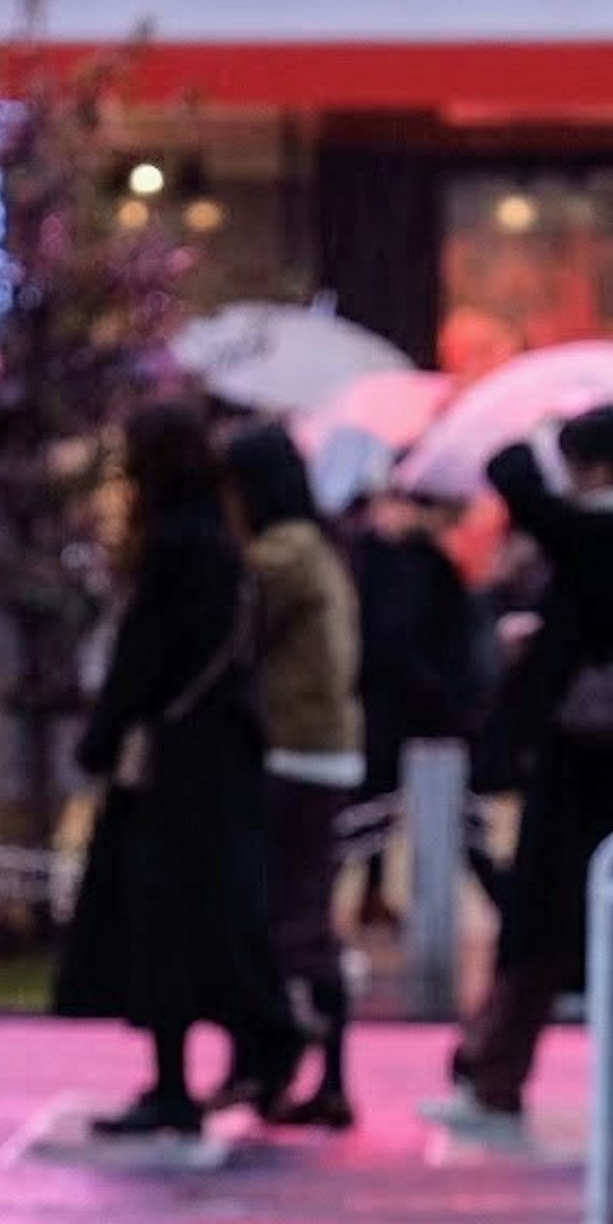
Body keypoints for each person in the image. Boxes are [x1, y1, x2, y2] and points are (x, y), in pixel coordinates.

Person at [426, 406, 613, 1138]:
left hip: (596, 762)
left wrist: (514, 457)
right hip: (589, 759)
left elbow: (558, 531)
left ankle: (496, 1070)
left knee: (557, 923)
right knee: (556, 923)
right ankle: (493, 1069)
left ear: (598, 467)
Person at [55, 400, 302, 1142]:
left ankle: (186, 1076)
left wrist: (100, 738)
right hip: (215, 757)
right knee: (214, 915)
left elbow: (145, 661)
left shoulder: (177, 547)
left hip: (173, 766)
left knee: (166, 920)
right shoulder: (222, 540)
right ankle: (253, 1039)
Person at [226, 423, 370, 1132]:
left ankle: (276, 1064)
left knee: (280, 917)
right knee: (309, 912)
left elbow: (232, 637)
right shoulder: (321, 549)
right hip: (329, 749)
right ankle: (325, 1073)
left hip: (288, 751)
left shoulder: (277, 558)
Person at [347, 483, 479, 938]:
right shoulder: (403, 562)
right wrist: (439, 694)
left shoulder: (400, 560)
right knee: (376, 809)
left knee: (382, 807)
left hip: (402, 705)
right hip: (408, 708)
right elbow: (398, 638)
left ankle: (373, 891)